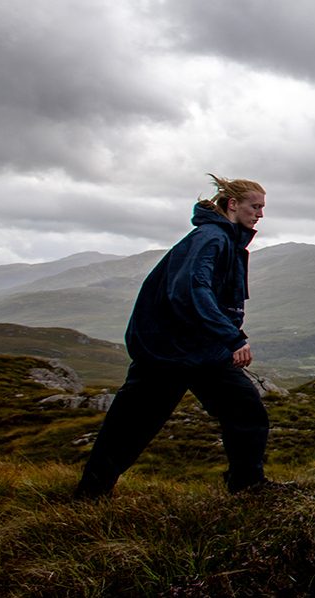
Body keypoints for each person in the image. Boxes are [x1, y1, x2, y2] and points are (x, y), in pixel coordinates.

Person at [75, 174, 274, 498]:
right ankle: (90, 494)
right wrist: (232, 337)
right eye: (255, 206)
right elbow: (191, 290)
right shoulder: (211, 238)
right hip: (169, 353)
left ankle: (248, 486)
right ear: (233, 204)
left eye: (262, 208)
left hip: (199, 350)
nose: (260, 215)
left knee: (245, 409)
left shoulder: (224, 239)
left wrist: (225, 336)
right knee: (132, 426)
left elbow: (208, 296)